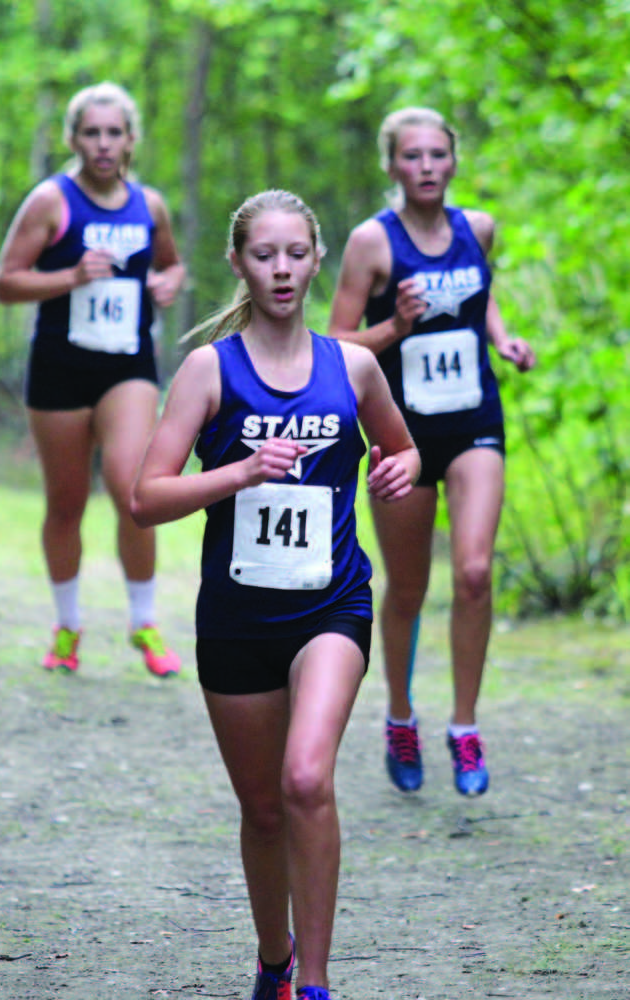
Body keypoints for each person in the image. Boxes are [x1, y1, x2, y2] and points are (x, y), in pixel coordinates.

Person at [131, 190, 420, 1000]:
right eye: (265, 255)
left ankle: (318, 984)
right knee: (262, 810)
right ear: (238, 264)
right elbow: (145, 496)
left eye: (296, 253)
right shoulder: (207, 370)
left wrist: (400, 469)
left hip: (331, 605)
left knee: (304, 781)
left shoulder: (353, 367)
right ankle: (275, 960)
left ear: (317, 258)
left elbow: (402, 454)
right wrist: (239, 471)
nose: (282, 269)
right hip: (236, 618)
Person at [328, 107, 535, 796]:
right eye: (411, 156)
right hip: (401, 433)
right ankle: (399, 716)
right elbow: (336, 343)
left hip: (475, 417)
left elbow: (484, 291)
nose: (425, 167)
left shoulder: (477, 228)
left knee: (474, 572)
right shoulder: (371, 243)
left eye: (437, 155)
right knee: (409, 587)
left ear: (453, 161)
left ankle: (465, 727)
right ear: (391, 166)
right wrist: (396, 323)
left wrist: (502, 338)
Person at [0, 81, 185, 676]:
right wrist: (71, 276)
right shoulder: (52, 201)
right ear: (74, 138)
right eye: (91, 132)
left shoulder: (149, 205)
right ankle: (69, 626)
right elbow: (6, 282)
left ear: (131, 138)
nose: (103, 144)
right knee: (66, 503)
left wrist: (170, 282)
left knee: (135, 493)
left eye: (114, 132)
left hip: (127, 365)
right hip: (59, 365)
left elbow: (172, 264)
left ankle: (144, 623)